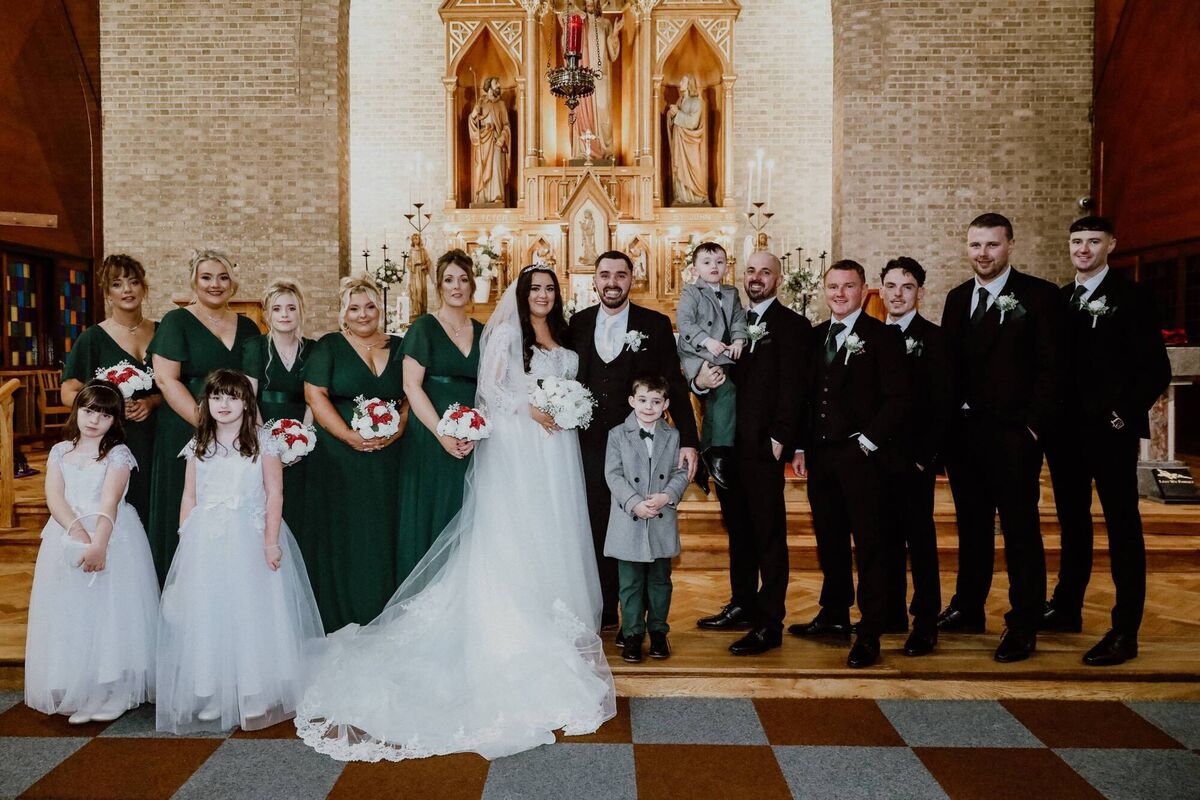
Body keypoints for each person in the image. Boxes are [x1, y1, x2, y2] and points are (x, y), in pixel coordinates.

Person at [295, 266, 616, 762]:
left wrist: (567, 407)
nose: (545, 295)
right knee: (511, 528)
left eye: (551, 288)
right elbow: (487, 389)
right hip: (514, 440)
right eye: (537, 287)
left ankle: (560, 617)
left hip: (557, 449)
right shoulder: (485, 331)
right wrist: (533, 410)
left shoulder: (552, 332)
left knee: (554, 526)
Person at [156, 370, 322, 734]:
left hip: (250, 536)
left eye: (232, 397)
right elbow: (190, 495)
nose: (224, 405)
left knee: (250, 610)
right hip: (206, 539)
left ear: (247, 402)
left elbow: (274, 494)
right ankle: (212, 688)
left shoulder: (265, 443)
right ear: (206, 403)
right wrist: (187, 537)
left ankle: (254, 688)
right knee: (209, 612)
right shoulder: (198, 444)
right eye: (217, 398)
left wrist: (271, 541)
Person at [1043, 216, 1171, 665]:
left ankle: (1124, 629)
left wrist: (1119, 418)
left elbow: (1156, 370)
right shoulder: (1061, 300)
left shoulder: (1131, 298)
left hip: (1109, 433)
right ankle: (1067, 607)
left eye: (1093, 241)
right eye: (1076, 240)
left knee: (1122, 527)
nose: (1083, 248)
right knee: (1072, 522)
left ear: (1111, 245)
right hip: (1064, 435)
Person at [938, 213, 1066, 663]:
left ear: (1010, 245)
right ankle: (969, 607)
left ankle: (1024, 621)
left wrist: (1032, 427)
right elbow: (949, 370)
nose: (983, 254)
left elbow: (1053, 369)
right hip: (964, 438)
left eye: (992, 245)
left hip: (1013, 436)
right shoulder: (956, 299)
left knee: (1020, 530)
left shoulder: (1039, 296)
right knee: (971, 528)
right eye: (975, 245)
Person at [568, 250, 699, 631]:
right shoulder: (576, 323)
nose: (613, 282)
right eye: (605, 275)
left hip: (640, 446)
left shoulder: (654, 324)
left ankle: (640, 620)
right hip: (589, 444)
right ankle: (605, 611)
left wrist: (688, 441)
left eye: (620, 275)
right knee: (596, 522)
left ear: (632, 279)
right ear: (594, 280)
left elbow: (674, 382)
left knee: (638, 523)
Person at [789, 260, 909, 668]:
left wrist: (869, 443)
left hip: (862, 458)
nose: (839, 293)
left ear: (863, 290)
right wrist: (802, 447)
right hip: (821, 457)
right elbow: (807, 397)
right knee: (830, 539)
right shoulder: (817, 335)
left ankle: (870, 629)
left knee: (869, 544)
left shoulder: (883, 336)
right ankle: (834, 614)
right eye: (833, 286)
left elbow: (898, 399)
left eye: (848, 286)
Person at [694, 251, 811, 655]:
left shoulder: (793, 325)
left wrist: (782, 437)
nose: (757, 278)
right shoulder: (727, 320)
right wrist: (699, 379)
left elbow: (795, 387)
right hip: (727, 446)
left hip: (764, 446)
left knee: (768, 535)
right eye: (750, 271)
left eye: (765, 271)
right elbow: (704, 370)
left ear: (778, 278)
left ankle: (770, 620)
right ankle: (742, 603)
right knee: (738, 530)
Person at [25, 381, 159, 725]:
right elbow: (54, 497)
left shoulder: (118, 455)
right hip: (68, 533)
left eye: (103, 414)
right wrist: (76, 532)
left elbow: (109, 501)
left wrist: (98, 544)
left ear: (114, 420)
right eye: (88, 411)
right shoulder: (59, 451)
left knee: (111, 613)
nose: (93, 420)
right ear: (77, 411)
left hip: (111, 534)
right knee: (72, 611)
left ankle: (115, 691)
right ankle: (82, 688)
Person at [148, 249, 260, 584]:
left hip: (235, 434)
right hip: (186, 427)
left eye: (223, 277)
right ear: (194, 282)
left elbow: (254, 383)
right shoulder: (176, 321)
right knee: (189, 506)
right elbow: (167, 379)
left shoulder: (249, 326)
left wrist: (236, 430)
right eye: (206, 277)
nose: (215, 284)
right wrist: (206, 424)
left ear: (233, 284)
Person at [302, 276, 406, 632]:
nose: (363, 315)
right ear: (343, 313)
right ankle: (342, 611)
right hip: (339, 457)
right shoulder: (329, 346)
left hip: (389, 458)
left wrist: (396, 431)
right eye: (354, 308)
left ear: (381, 309)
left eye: (370, 306)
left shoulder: (401, 345)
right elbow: (315, 395)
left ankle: (386, 606)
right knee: (346, 531)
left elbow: (408, 398)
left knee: (384, 529)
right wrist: (348, 436)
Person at [396, 250, 484, 583]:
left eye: (463, 279)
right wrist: (442, 434)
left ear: (472, 284)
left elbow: (490, 387)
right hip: (431, 437)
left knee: (466, 510)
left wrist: (476, 430)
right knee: (433, 509)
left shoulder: (483, 330)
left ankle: (463, 591)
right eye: (449, 279)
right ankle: (425, 589)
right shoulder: (424, 328)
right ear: (438, 285)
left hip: (472, 439)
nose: (456, 286)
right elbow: (411, 386)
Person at [878, 257, 951, 657]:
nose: (898, 294)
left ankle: (925, 621)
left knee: (919, 541)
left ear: (920, 292)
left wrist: (925, 458)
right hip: (875, 458)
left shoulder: (934, 339)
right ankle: (890, 611)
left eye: (907, 287)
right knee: (883, 538)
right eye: (891, 286)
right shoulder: (871, 336)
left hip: (913, 459)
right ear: (882, 290)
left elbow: (942, 404)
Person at [61, 254, 160, 525]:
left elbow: (179, 384)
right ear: (108, 293)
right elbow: (69, 391)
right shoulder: (93, 338)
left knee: (158, 507)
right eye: (117, 284)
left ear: (144, 287)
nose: (127, 290)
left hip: (159, 439)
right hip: (114, 439)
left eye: (134, 282)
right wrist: (109, 410)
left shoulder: (163, 333)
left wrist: (152, 402)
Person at [604, 376, 689, 663]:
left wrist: (666, 496)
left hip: (660, 519)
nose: (648, 407)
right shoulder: (617, 435)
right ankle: (632, 635)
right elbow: (613, 474)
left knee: (660, 582)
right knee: (629, 584)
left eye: (656, 401)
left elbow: (680, 473)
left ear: (665, 405)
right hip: (629, 520)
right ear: (632, 401)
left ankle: (657, 633)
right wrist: (634, 503)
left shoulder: (673, 436)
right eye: (642, 400)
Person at [242, 280, 315, 552]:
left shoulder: (312, 349)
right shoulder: (256, 347)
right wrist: (268, 444)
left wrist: (303, 439)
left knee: (300, 505)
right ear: (267, 314)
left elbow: (314, 399)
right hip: (264, 429)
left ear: (300, 312)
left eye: (291, 308)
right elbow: (249, 396)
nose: (284, 314)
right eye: (277, 308)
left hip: (303, 433)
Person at [676, 241, 747, 488]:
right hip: (697, 352)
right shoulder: (691, 292)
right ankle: (720, 452)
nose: (713, 266)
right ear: (695, 269)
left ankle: (704, 458)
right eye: (706, 262)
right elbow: (684, 322)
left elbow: (738, 319)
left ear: (727, 266)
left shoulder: (732, 292)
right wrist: (707, 341)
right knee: (726, 390)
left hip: (722, 352)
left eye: (719, 262)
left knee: (718, 400)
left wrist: (738, 339)